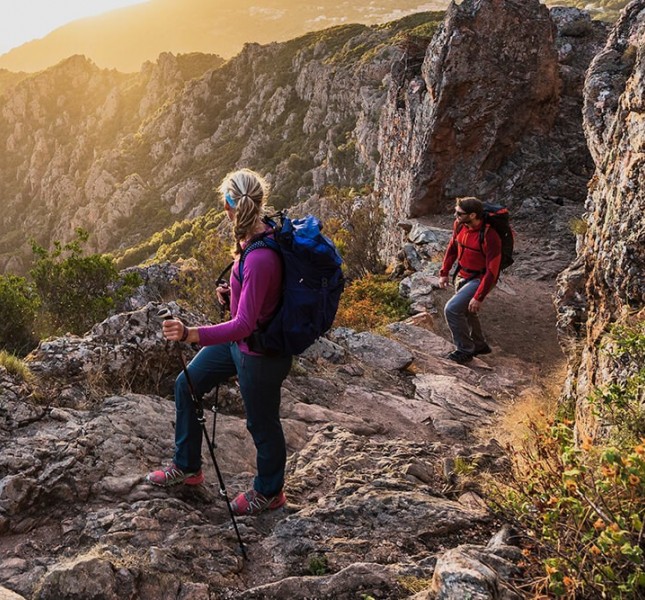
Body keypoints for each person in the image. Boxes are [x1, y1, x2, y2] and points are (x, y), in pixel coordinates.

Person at [146, 168, 292, 517]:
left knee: (262, 424)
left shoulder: (259, 256)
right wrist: (230, 295)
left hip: (260, 355)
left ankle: (270, 492)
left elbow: (243, 325)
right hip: (240, 346)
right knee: (187, 384)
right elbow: (251, 307)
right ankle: (188, 466)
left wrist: (189, 333)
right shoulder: (255, 239)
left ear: (230, 205)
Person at [438, 196, 502, 365]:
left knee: (451, 309)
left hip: (480, 278)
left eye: (459, 213)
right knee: (466, 311)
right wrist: (444, 272)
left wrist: (479, 296)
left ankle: (465, 350)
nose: (455, 216)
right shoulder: (460, 225)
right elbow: (452, 248)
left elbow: (492, 270)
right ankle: (479, 344)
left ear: (473, 215)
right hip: (463, 275)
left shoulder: (490, 236)